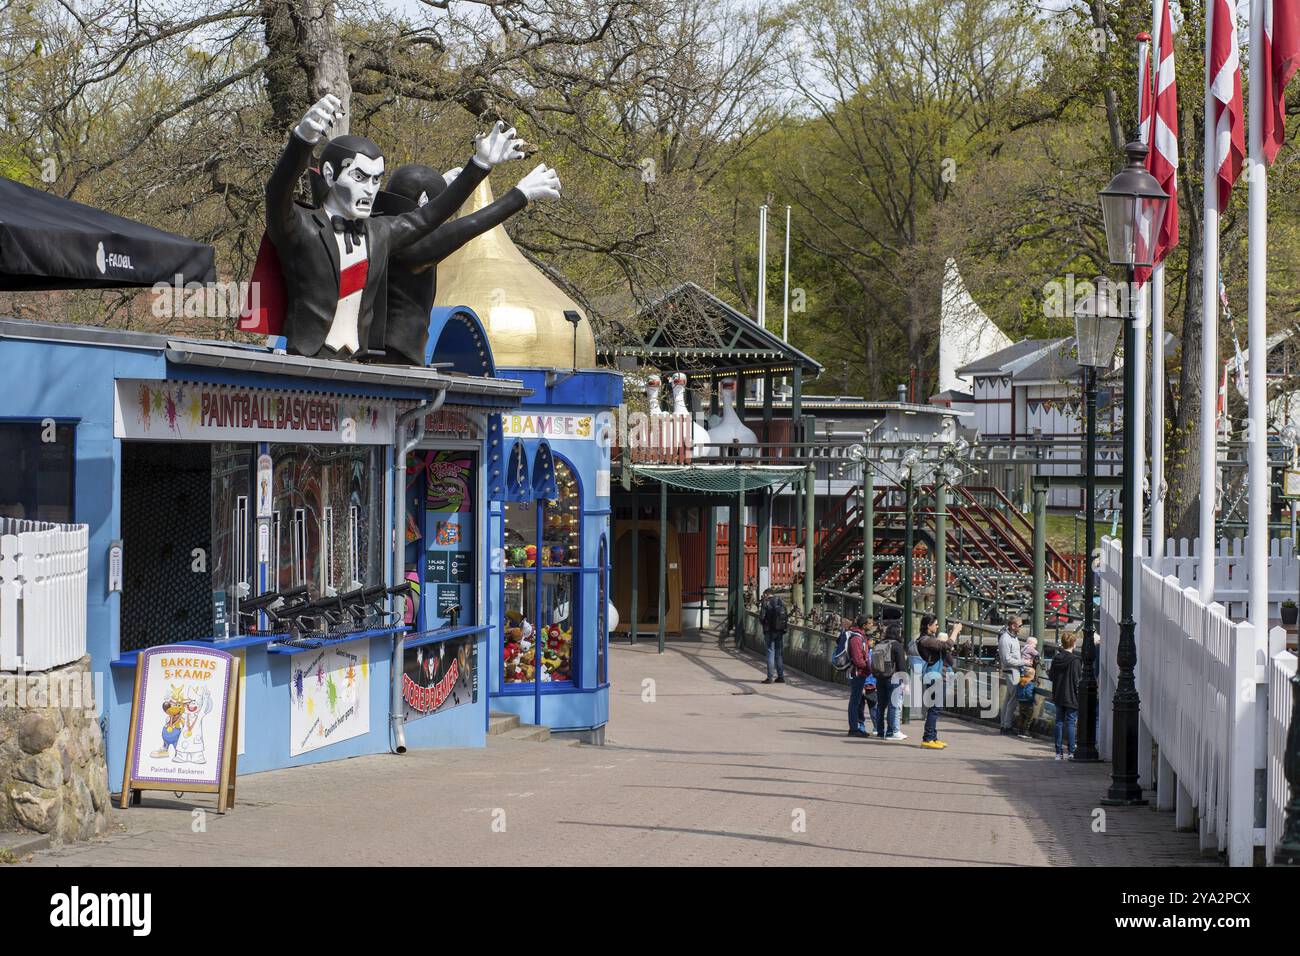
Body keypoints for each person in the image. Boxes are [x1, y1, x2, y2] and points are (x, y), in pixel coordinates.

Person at [916, 615, 960, 749]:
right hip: (934, 676)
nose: (937, 626)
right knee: (934, 708)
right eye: (935, 624)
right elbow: (946, 645)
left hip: (938, 675)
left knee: (936, 707)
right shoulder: (925, 640)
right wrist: (955, 631)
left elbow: (946, 651)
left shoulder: (930, 640)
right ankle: (928, 738)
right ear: (928, 626)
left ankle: (933, 737)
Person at [871, 622, 910, 740]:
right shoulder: (897, 645)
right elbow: (901, 666)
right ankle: (892, 731)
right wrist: (906, 682)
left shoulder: (880, 644)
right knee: (894, 705)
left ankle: (880, 731)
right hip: (893, 678)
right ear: (898, 633)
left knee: (881, 706)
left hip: (880, 677)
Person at [1049, 632, 1083, 759]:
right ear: (1073, 644)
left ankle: (1058, 752)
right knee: (1071, 723)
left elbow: (1051, 676)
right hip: (1071, 695)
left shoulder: (1056, 659)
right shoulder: (1075, 660)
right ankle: (1071, 751)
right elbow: (1077, 680)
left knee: (1059, 722)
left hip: (1058, 694)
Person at [997, 615, 1025, 735]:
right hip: (1011, 671)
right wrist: (1024, 662)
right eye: (1020, 625)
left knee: (1008, 699)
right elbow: (1006, 659)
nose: (1021, 627)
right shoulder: (1005, 639)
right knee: (1013, 700)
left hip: (1015, 670)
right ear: (1013, 626)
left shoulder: (1014, 637)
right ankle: (1007, 726)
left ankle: (1004, 724)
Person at [845, 616, 871, 736]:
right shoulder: (856, 638)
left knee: (858, 701)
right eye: (870, 623)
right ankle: (853, 729)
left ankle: (857, 727)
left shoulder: (860, 636)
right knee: (855, 701)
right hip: (858, 672)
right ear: (864, 625)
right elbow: (857, 659)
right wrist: (869, 668)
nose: (872, 625)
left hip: (861, 672)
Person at [759, 587, 788, 684]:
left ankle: (770, 677)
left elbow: (762, 618)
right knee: (779, 654)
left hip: (769, 632)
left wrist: (764, 623)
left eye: (764, 595)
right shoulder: (781, 601)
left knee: (770, 653)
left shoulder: (766, 603)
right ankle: (781, 677)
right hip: (780, 631)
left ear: (767, 594)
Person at [858, 618, 881, 735]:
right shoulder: (870, 653)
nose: (872, 642)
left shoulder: (867, 652)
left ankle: (865, 726)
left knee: (865, 707)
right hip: (868, 683)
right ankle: (874, 727)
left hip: (868, 683)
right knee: (871, 707)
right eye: (871, 640)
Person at [1015, 665, 1037, 737]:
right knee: (1029, 717)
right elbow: (1028, 692)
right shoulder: (1030, 683)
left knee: (1021, 716)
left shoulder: (1020, 681)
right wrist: (1033, 700)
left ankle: (1020, 731)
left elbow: (1017, 691)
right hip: (1028, 702)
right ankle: (1025, 732)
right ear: (1031, 676)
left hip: (1021, 701)